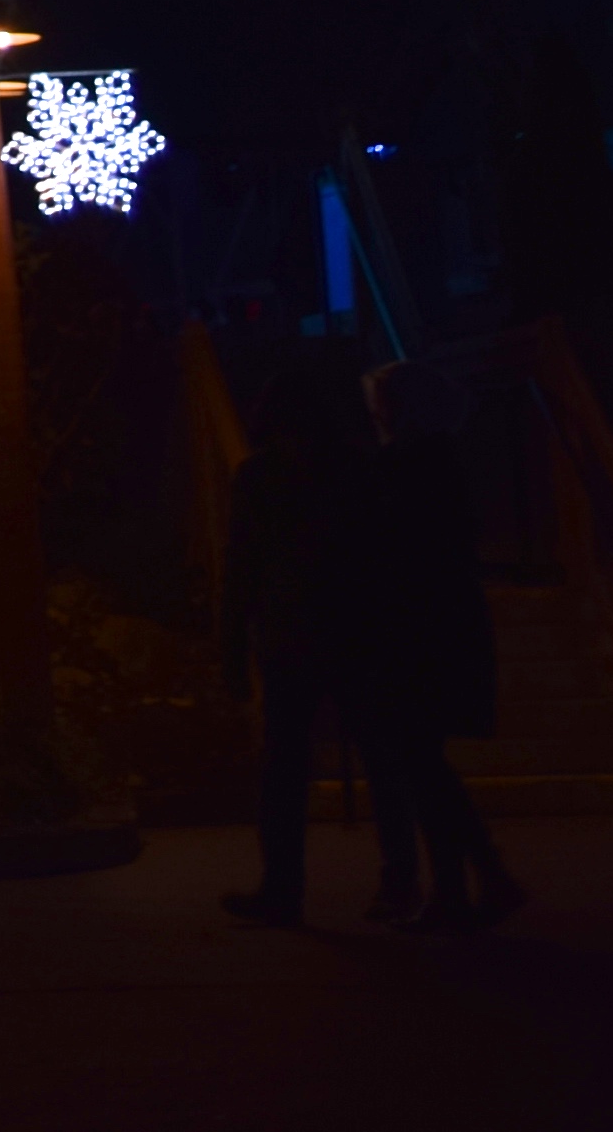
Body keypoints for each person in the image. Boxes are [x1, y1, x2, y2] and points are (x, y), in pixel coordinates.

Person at [355, 361, 525, 932]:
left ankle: (469, 882)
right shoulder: (444, 461)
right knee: (424, 760)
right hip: (444, 620)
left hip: (416, 626)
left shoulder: (402, 467)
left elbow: (388, 551)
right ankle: (476, 878)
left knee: (419, 759)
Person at [212, 363, 377, 927]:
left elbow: (241, 568)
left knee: (284, 768)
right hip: (351, 630)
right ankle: (402, 879)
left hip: (289, 635)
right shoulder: (354, 468)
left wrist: (233, 644)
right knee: (384, 757)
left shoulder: (258, 477)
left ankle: (284, 888)